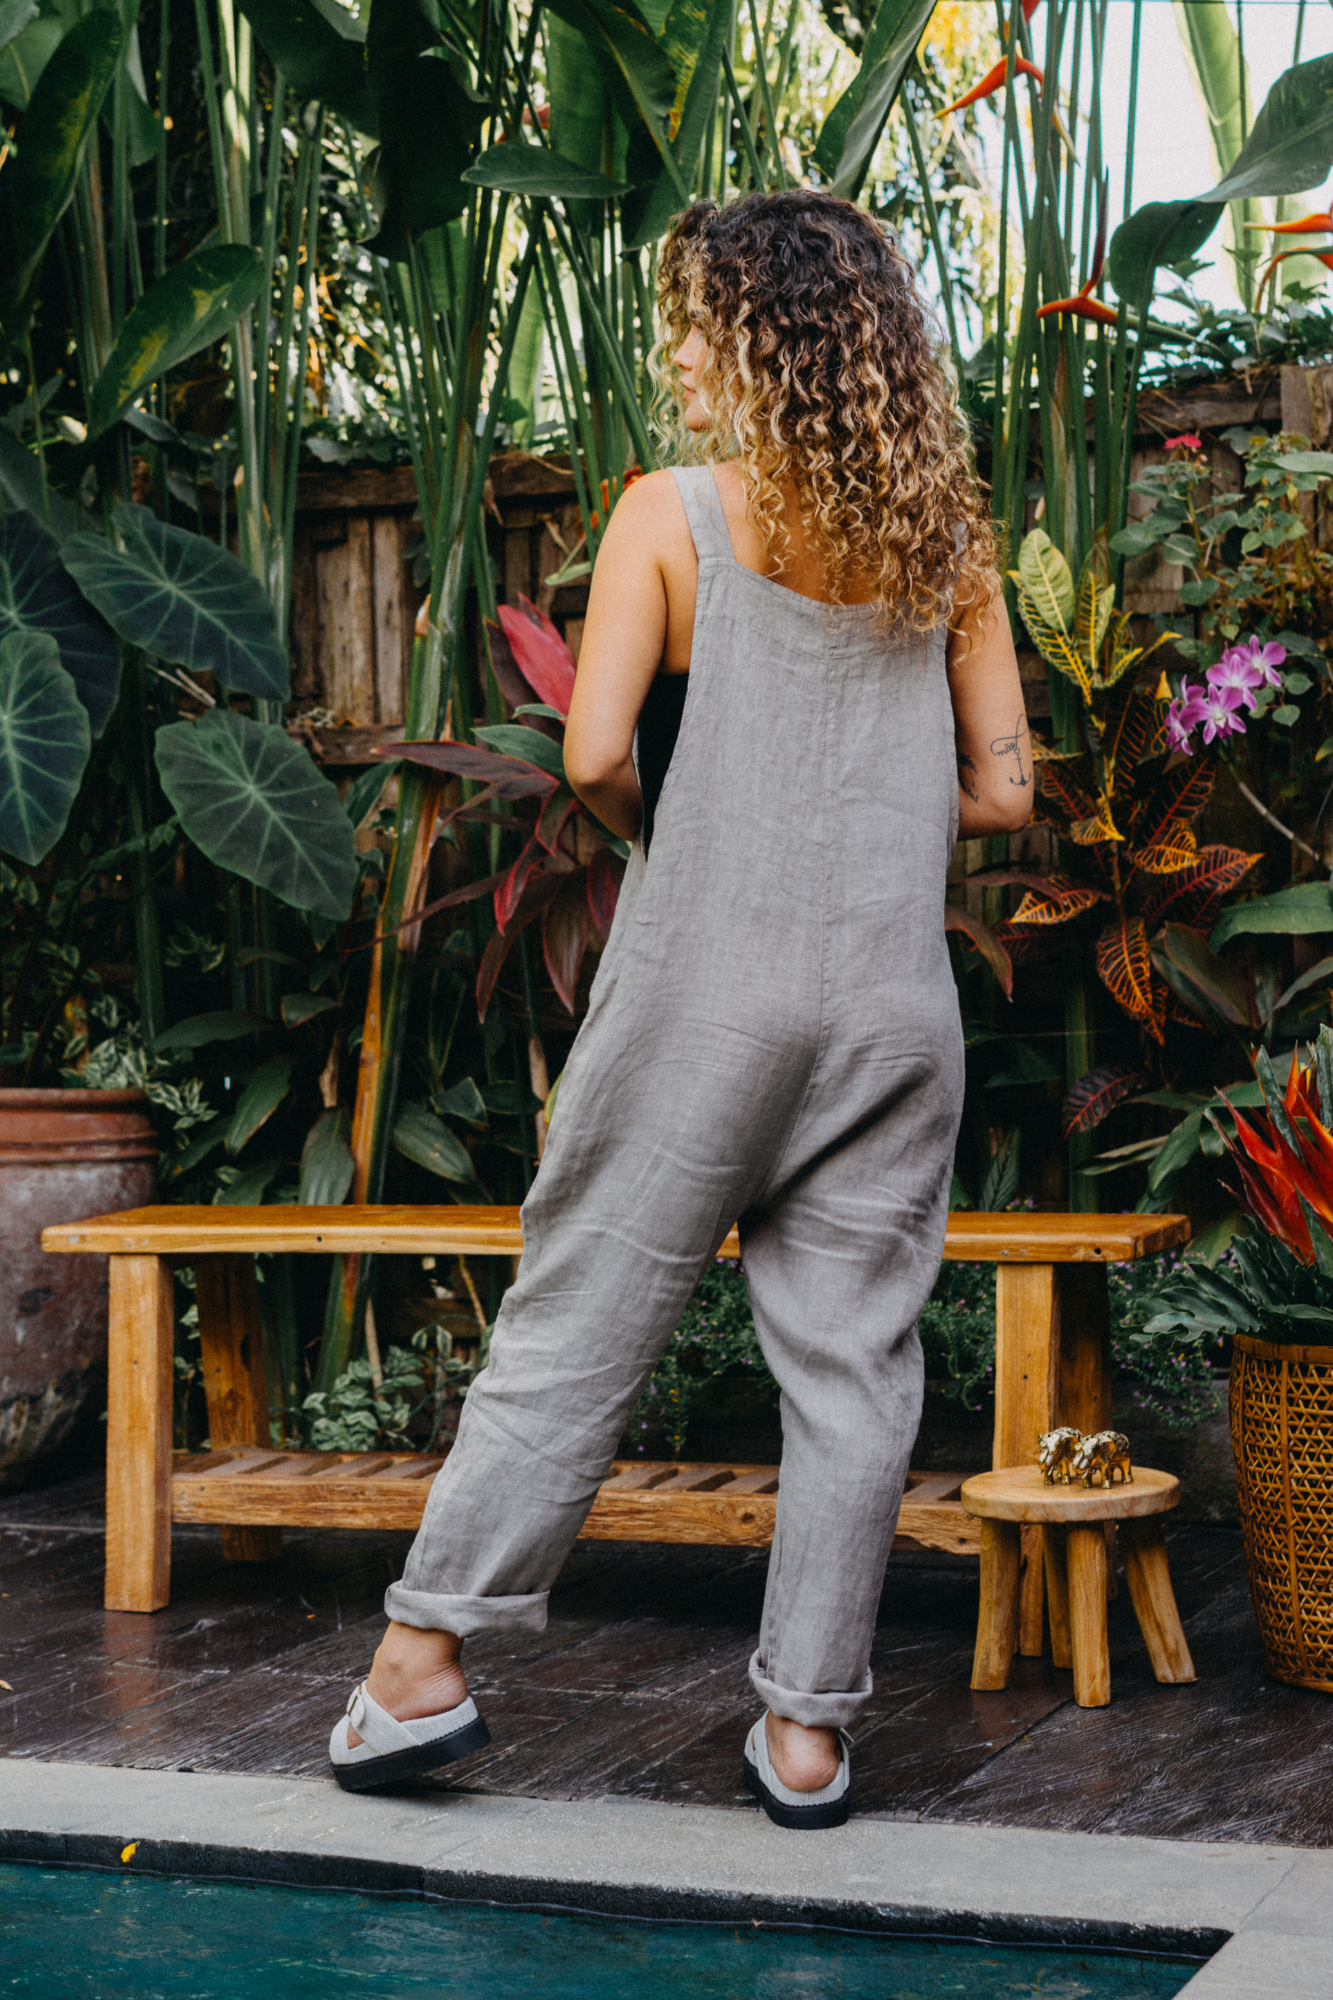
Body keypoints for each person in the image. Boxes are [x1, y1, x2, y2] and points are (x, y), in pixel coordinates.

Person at [329, 189, 1031, 1829]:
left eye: (697, 327)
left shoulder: (670, 514)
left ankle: (424, 1670)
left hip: (706, 992)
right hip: (889, 1011)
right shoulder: (949, 543)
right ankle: (805, 1737)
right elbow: (1003, 793)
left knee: (581, 1320)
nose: (681, 357)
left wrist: (711, 816)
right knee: (857, 1369)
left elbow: (589, 756)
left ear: (757, 341)